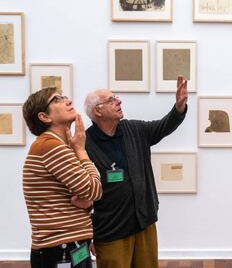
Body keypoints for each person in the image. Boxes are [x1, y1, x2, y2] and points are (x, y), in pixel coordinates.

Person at [83, 76, 188, 268]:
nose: (119, 101)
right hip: (111, 230)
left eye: (116, 97)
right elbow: (81, 192)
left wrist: (179, 108)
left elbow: (164, 126)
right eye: (111, 100)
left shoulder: (134, 129)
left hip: (144, 222)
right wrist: (87, 234)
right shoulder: (85, 144)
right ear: (98, 111)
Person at [22, 87, 103, 268]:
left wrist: (88, 202)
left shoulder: (58, 146)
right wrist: (81, 150)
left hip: (67, 245)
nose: (68, 101)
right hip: (59, 248)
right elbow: (94, 189)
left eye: (65, 96)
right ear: (44, 117)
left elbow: (85, 196)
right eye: (57, 99)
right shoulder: (50, 146)